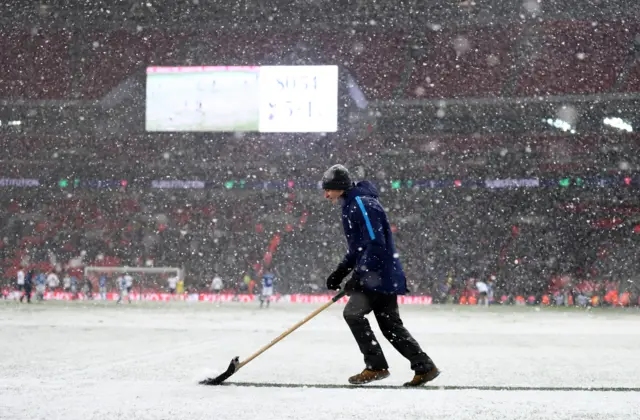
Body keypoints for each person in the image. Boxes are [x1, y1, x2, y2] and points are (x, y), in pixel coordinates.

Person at [322, 164, 440, 387]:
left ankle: (376, 366)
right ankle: (424, 366)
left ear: (339, 187)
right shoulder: (350, 205)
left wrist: (360, 274)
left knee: (353, 314)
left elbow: (375, 244)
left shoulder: (361, 204)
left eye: (328, 189)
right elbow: (358, 248)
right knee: (390, 325)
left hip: (377, 274)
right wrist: (340, 271)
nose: (326, 194)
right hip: (380, 274)